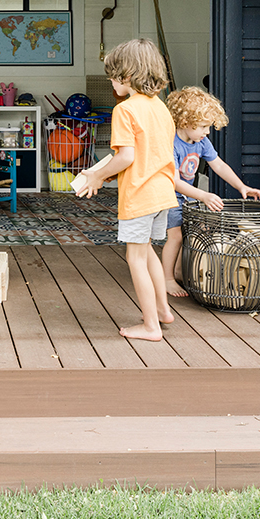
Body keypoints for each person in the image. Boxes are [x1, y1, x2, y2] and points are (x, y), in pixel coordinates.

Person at [70, 39, 176, 340]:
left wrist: (96, 176)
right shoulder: (161, 108)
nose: (110, 82)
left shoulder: (126, 111)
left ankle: (151, 326)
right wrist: (110, 174)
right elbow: (149, 155)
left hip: (140, 195)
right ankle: (163, 311)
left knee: (135, 258)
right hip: (162, 193)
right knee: (148, 254)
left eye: (112, 76)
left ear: (126, 76)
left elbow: (126, 157)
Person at [161, 86, 260, 297]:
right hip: (170, 196)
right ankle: (167, 278)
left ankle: (180, 271)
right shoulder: (171, 143)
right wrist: (203, 195)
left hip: (189, 196)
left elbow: (219, 165)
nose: (207, 132)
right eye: (203, 126)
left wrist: (241, 186)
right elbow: (172, 181)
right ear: (185, 122)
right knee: (176, 237)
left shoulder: (201, 141)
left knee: (192, 233)